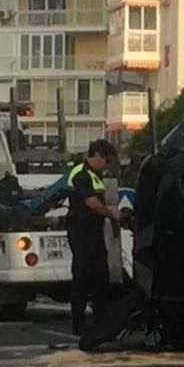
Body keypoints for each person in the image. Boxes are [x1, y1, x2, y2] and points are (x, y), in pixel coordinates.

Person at [66, 139, 119, 335]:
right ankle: (78, 325)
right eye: (106, 159)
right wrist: (112, 213)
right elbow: (93, 204)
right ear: (96, 155)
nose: (107, 164)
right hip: (81, 232)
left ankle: (101, 323)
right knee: (82, 277)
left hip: (94, 232)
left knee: (101, 278)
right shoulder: (81, 174)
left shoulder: (95, 174)